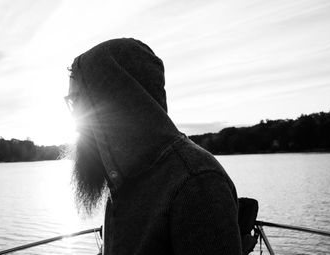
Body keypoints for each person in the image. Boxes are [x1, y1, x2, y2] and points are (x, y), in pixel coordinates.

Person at [65, 38, 242, 255]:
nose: (74, 119)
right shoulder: (121, 177)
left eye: (77, 100)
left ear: (119, 99)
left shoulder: (196, 183)